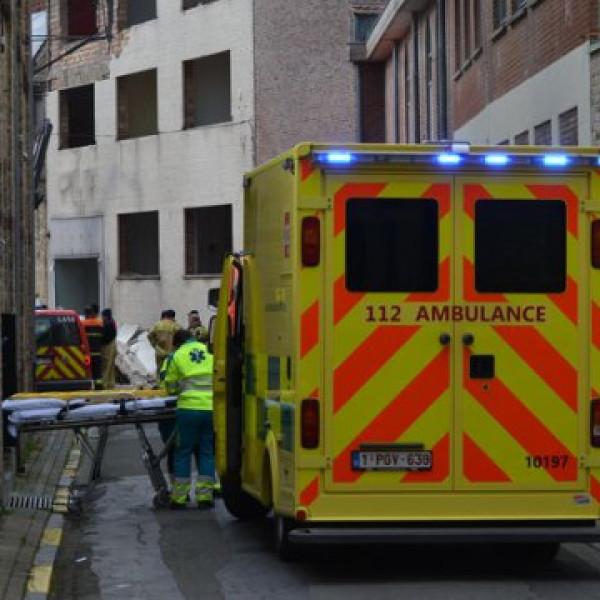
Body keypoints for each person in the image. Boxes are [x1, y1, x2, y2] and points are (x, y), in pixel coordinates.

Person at [164, 329, 215, 509]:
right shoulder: (209, 351)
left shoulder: (177, 355)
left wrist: (177, 390)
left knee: (183, 451)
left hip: (188, 409)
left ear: (178, 343)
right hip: (211, 408)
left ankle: (180, 497)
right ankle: (205, 496)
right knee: (207, 451)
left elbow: (169, 386)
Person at [147, 309, 181, 376]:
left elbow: (149, 335)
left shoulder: (158, 325)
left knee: (160, 370)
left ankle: (160, 384)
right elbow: (182, 338)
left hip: (160, 352)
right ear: (173, 317)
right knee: (171, 371)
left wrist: (155, 346)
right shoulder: (176, 326)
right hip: (172, 353)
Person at [81, 305, 104, 389]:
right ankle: (99, 387)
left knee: (86, 371)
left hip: (86, 353)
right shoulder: (100, 323)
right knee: (97, 372)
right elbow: (103, 336)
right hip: (97, 352)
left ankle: (87, 388)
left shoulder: (83, 323)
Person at [101, 308, 117, 389]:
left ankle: (105, 384)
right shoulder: (112, 322)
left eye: (103, 316)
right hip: (113, 347)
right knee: (110, 367)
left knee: (105, 367)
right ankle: (111, 384)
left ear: (106, 316)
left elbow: (106, 338)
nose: (102, 318)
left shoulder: (107, 324)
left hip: (108, 347)